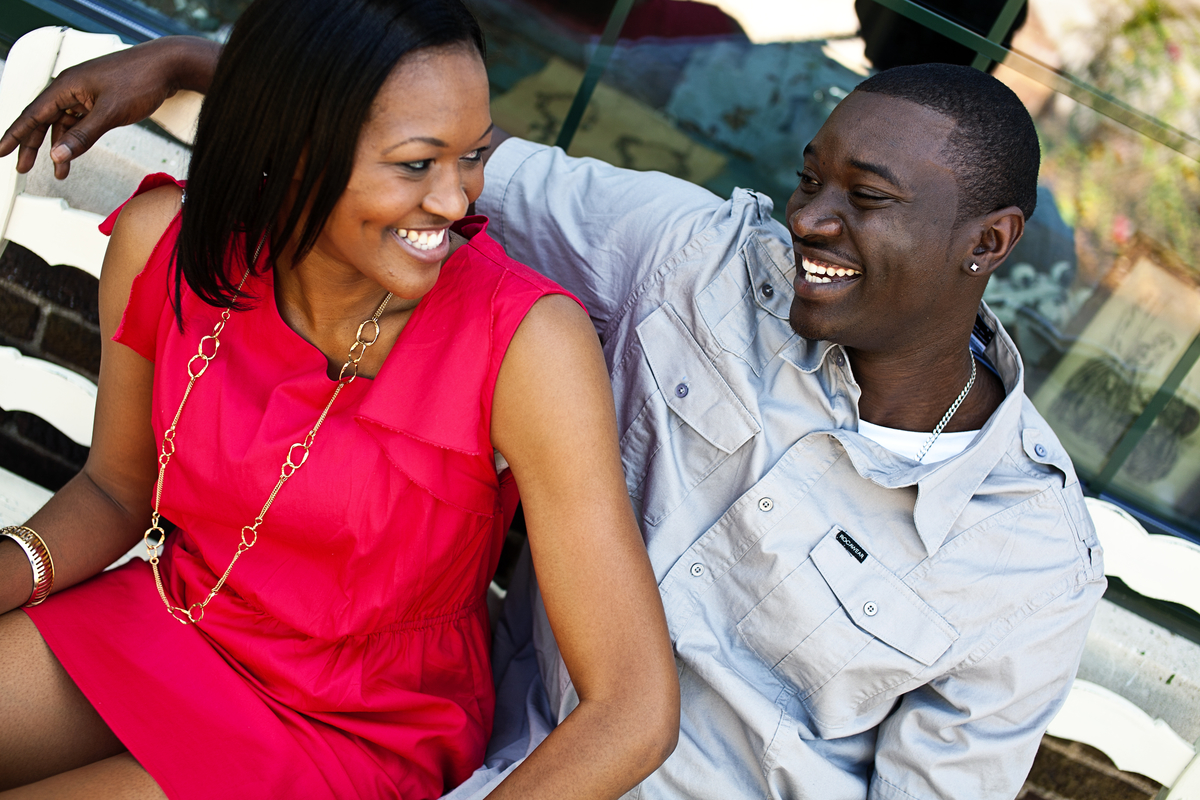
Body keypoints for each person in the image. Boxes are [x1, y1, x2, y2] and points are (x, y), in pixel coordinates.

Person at [1, 45, 1105, 800]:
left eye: (864, 199)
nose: (808, 217)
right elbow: (432, 156)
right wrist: (197, 65)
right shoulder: (699, 259)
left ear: (989, 243)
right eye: (809, 178)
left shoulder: (1024, 560)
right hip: (498, 762)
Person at [0, 2, 679, 798]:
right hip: (174, 615)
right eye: (419, 164)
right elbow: (116, 489)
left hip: (355, 727)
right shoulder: (168, 244)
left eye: (473, 156)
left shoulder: (526, 344)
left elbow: (633, 707)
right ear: (293, 148)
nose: (459, 202)